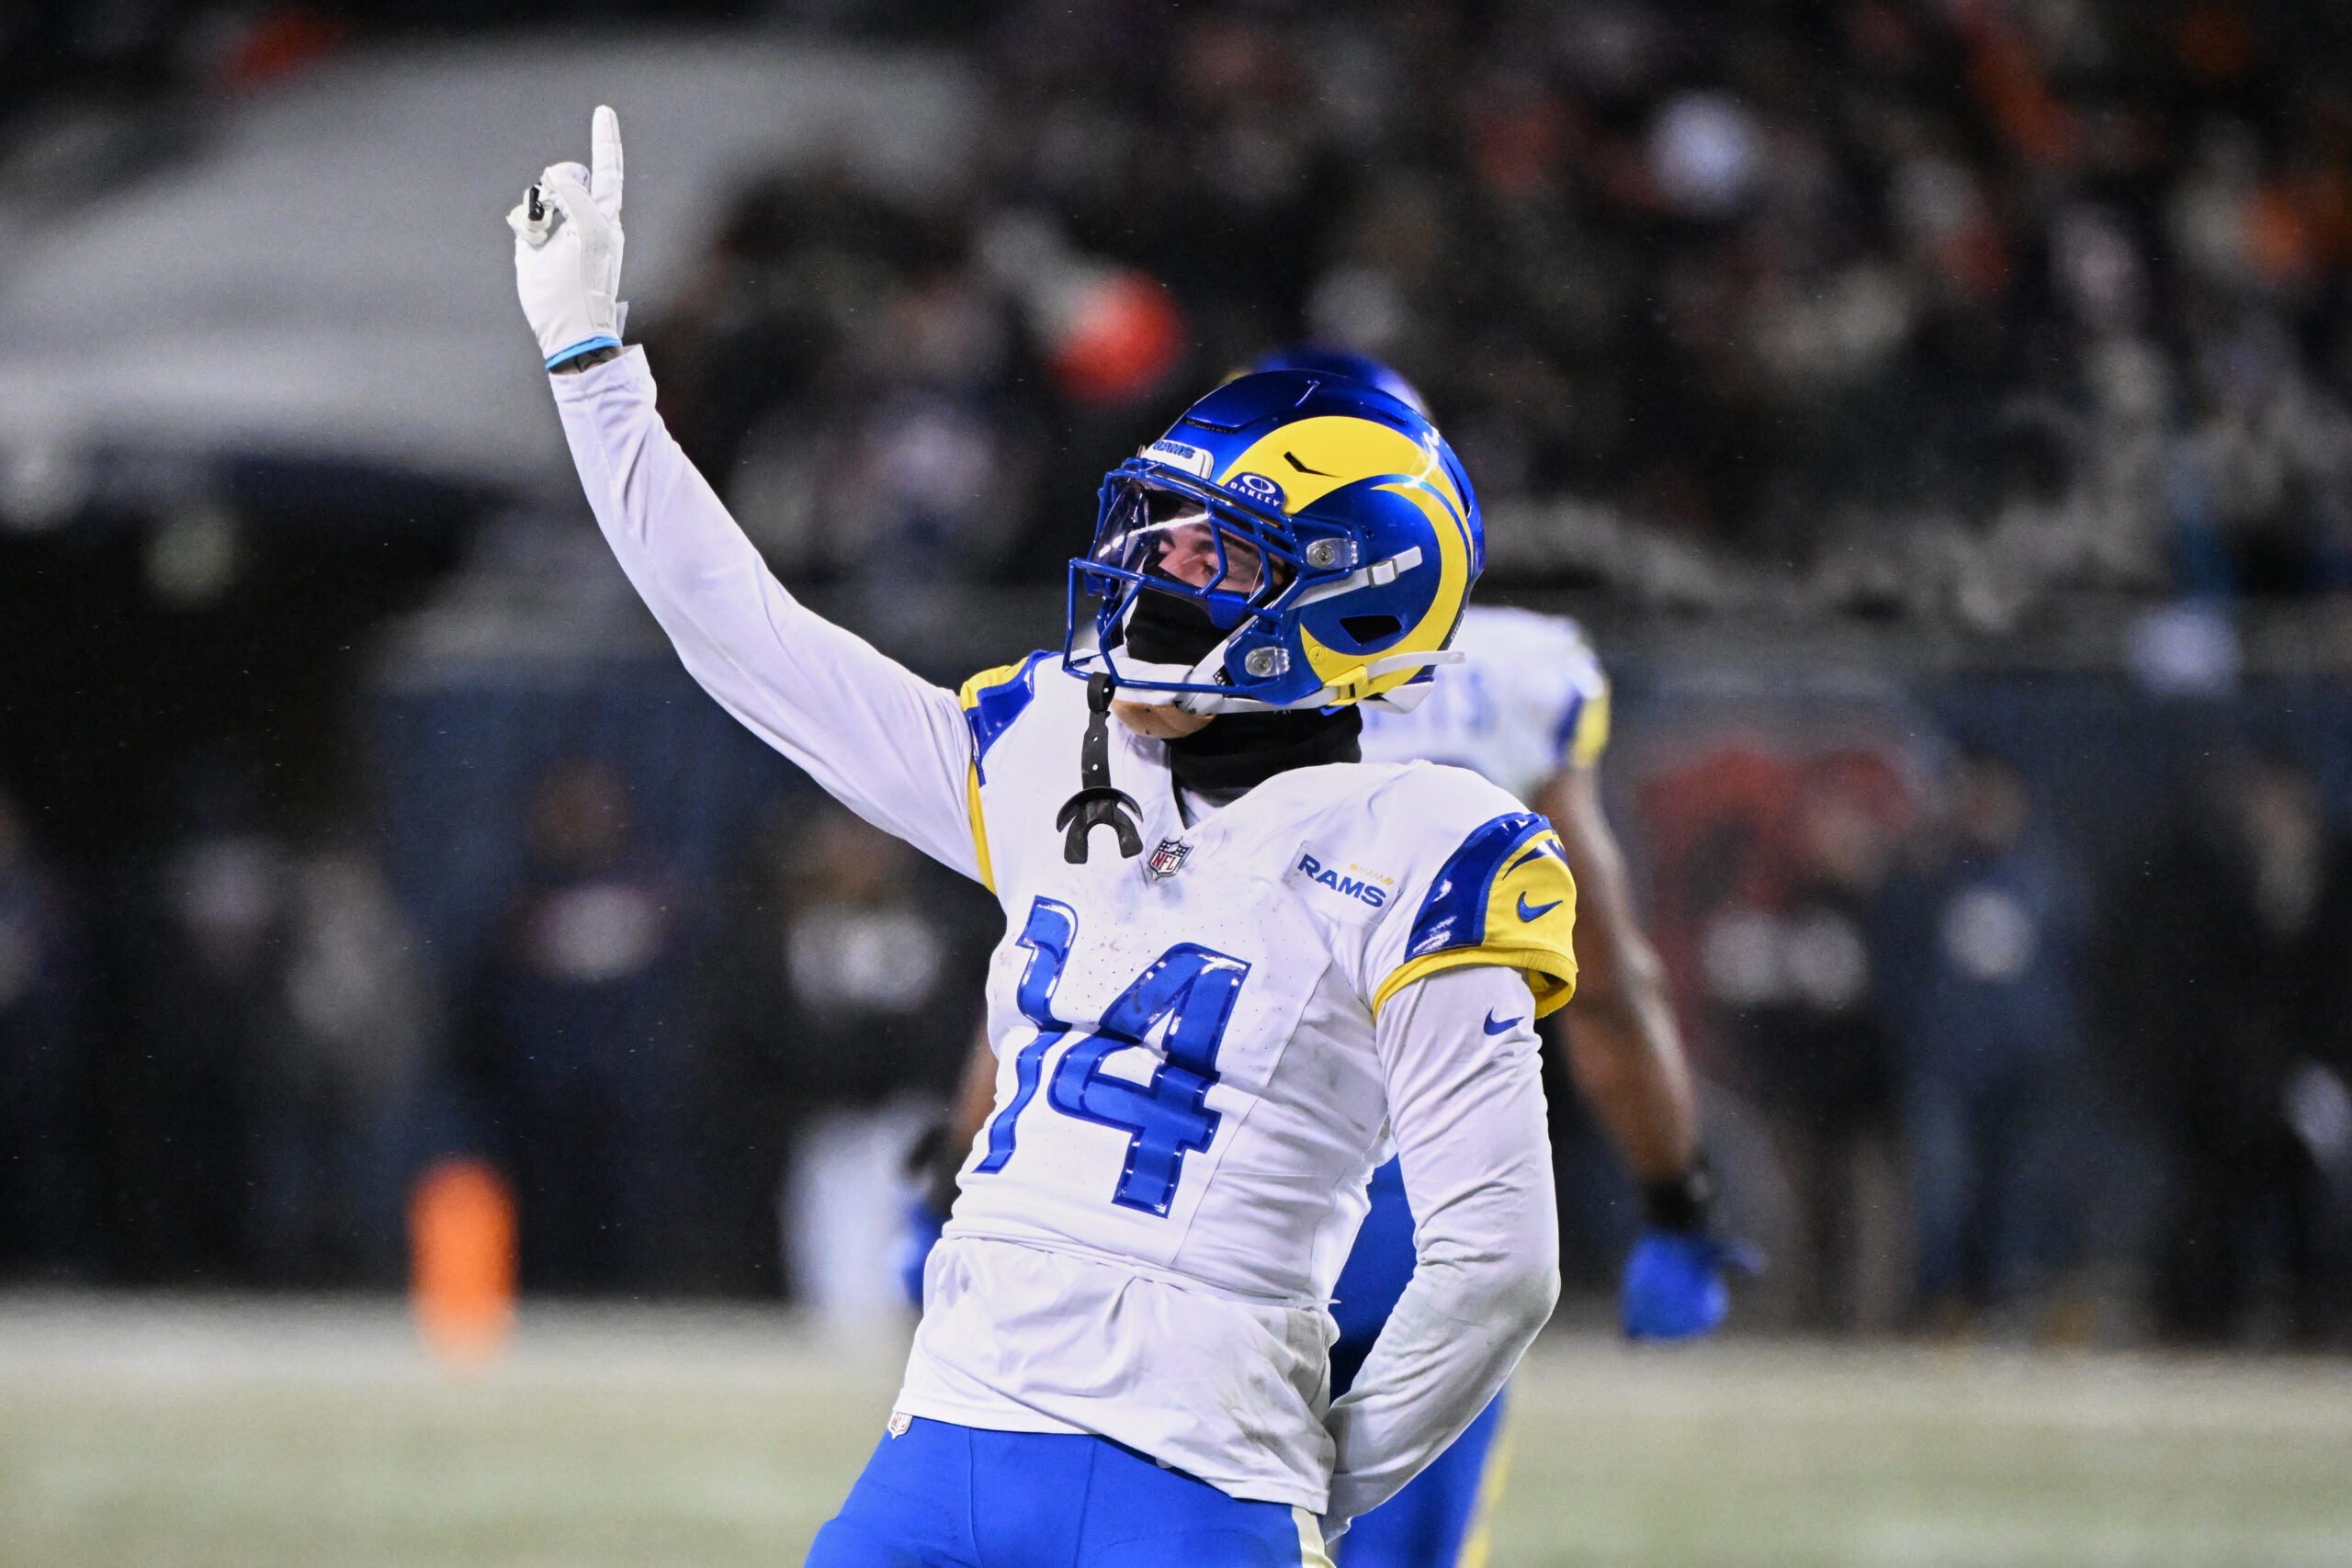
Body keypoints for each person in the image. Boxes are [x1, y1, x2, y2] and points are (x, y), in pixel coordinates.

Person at [511, 110, 1702, 1558]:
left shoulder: (1432, 838)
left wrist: (1309, 1481)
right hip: (951, 1429)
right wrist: (593, 372)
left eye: (1207, 556)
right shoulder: (1057, 753)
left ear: (1348, 605)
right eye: (1154, 538)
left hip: (1187, 1479)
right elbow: (750, 644)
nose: (1145, 586)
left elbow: (1500, 1265)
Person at [907, 348, 1738, 1566]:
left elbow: (1069, 955)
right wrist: (1678, 1194)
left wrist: (958, 1169)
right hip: (1396, 1189)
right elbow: (1605, 985)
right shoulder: (1508, 679)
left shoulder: (1148, 659)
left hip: (1171, 1195)